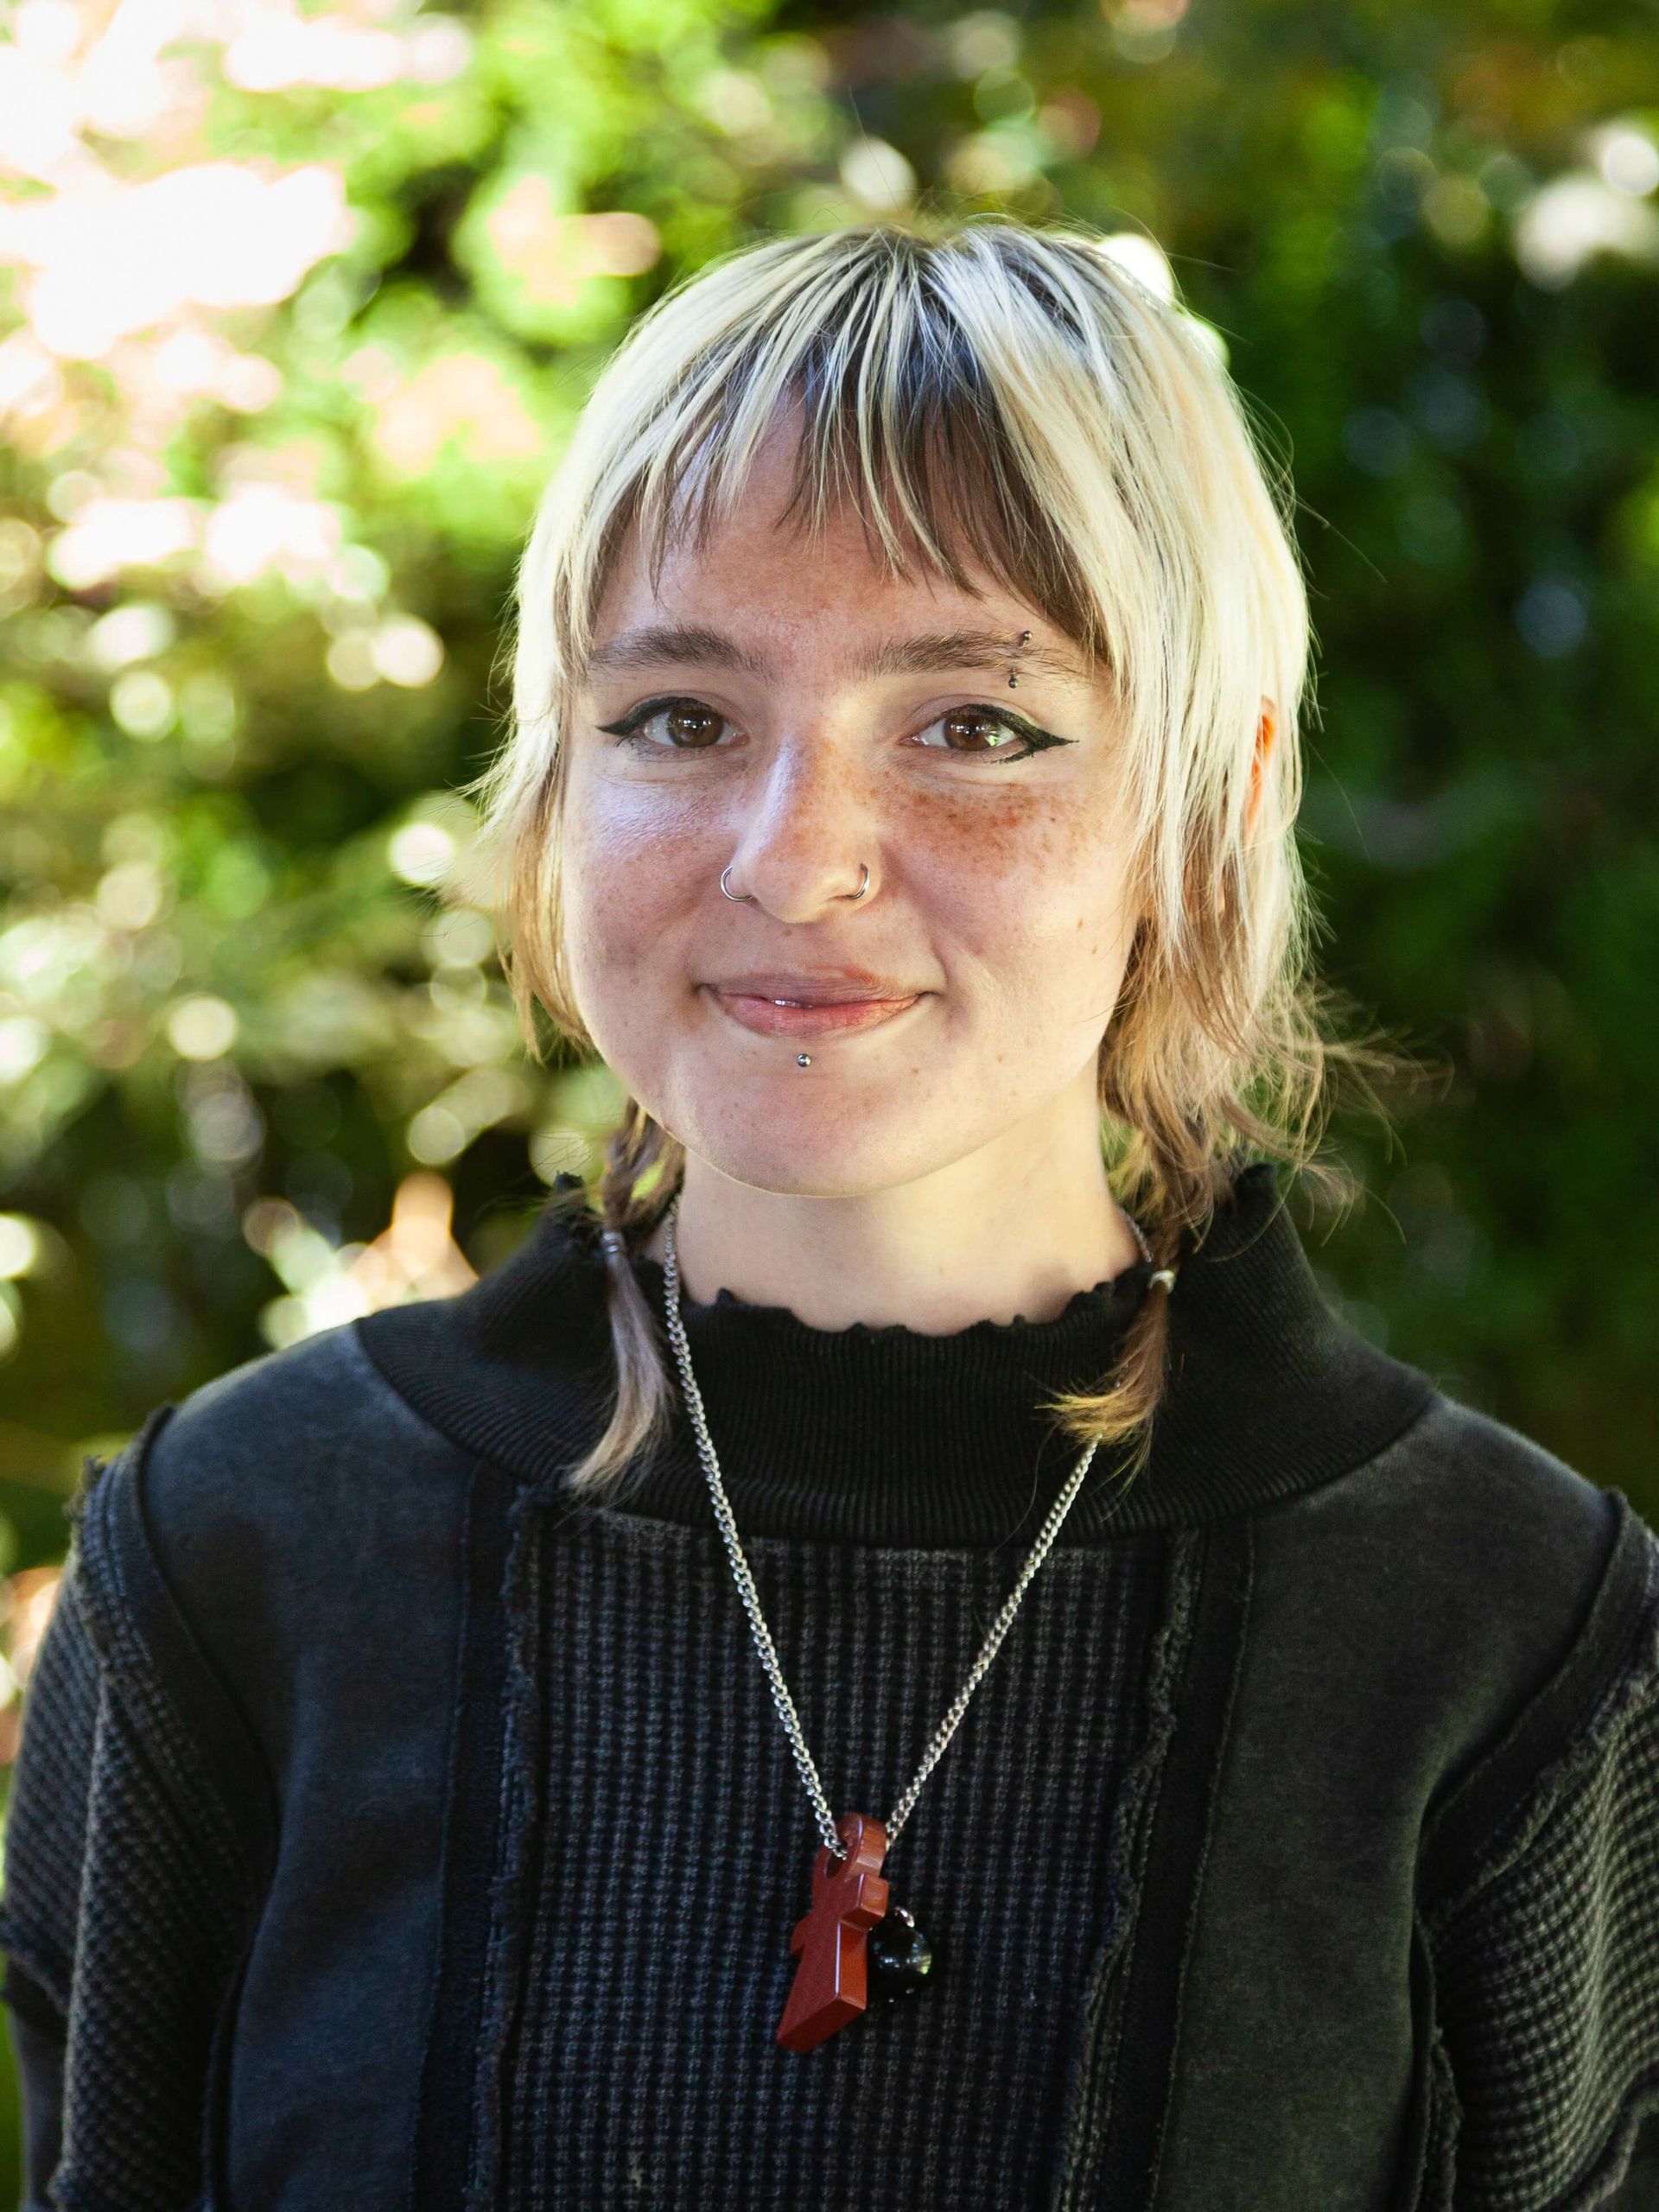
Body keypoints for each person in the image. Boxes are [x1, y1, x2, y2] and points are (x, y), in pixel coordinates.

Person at [3, 217, 1657, 2211]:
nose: (797, 861)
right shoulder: (232, 1557)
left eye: (974, 723)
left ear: (1211, 802)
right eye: (682, 716)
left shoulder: (1511, 1640)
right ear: (556, 778)